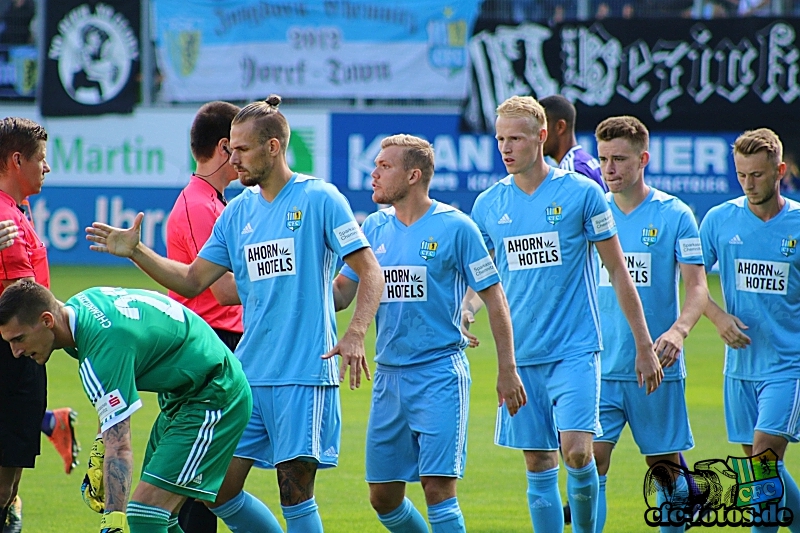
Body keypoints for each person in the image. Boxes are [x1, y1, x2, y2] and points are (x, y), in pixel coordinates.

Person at [85, 94, 384, 533]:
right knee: (217, 489)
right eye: (230, 148)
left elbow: (369, 271)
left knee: (295, 492)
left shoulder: (320, 198)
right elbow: (192, 280)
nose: (232, 159)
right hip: (247, 374)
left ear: (274, 147)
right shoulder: (238, 211)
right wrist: (138, 252)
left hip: (304, 371)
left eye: (241, 150)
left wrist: (356, 331)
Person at [462, 95, 662, 533]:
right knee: (538, 462)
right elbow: (487, 278)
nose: (506, 148)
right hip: (520, 356)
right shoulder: (488, 205)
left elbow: (618, 271)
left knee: (576, 452)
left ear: (542, 135)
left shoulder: (582, 194)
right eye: (500, 139)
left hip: (575, 349)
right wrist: (466, 306)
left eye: (515, 137)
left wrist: (644, 345)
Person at [333, 134, 527, 533]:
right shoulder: (373, 227)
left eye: (385, 167)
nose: (374, 174)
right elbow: (342, 292)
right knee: (382, 497)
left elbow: (495, 299)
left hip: (439, 374)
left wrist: (507, 368)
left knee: (437, 488)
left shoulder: (456, 227)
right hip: (388, 377)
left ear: (413, 175)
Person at [0, 281, 252, 533]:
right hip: (183, 398)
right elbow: (112, 392)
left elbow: (120, 445)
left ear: (46, 320)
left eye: (19, 339)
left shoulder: (101, 347)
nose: (16, 352)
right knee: (163, 516)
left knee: (145, 512)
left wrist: (112, 521)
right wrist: (101, 445)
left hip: (214, 396)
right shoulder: (78, 311)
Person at [593, 116, 707, 533]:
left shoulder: (675, 214)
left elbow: (697, 287)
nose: (609, 169)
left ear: (643, 159)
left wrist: (677, 331)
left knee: (663, 467)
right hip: (599, 365)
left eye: (619, 159)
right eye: (604, 159)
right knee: (588, 460)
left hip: (655, 367)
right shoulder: (591, 211)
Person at [700, 128, 800, 530]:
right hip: (739, 368)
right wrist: (718, 316)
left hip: (787, 365)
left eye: (757, 174)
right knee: (760, 472)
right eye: (741, 174)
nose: (748, 183)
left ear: (779, 171)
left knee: (761, 464)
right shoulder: (719, 221)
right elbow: (690, 287)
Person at [167, 100, 243, 533]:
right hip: (209, 342)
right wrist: (283, 281)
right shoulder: (200, 206)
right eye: (239, 145)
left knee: (211, 473)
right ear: (223, 147)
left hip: (219, 339)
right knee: (203, 478)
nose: (243, 154)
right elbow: (219, 288)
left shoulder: (214, 201)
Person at [0, 117, 52, 533]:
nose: (46, 168)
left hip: (21, 354)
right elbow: (25, 297)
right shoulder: (6, 218)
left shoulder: (18, 210)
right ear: (17, 160)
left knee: (11, 483)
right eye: (41, 159)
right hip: (11, 355)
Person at [540, 94, 606, 192]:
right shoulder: (585, 161)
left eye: (541, 128)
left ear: (560, 127)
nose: (538, 136)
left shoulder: (571, 171)